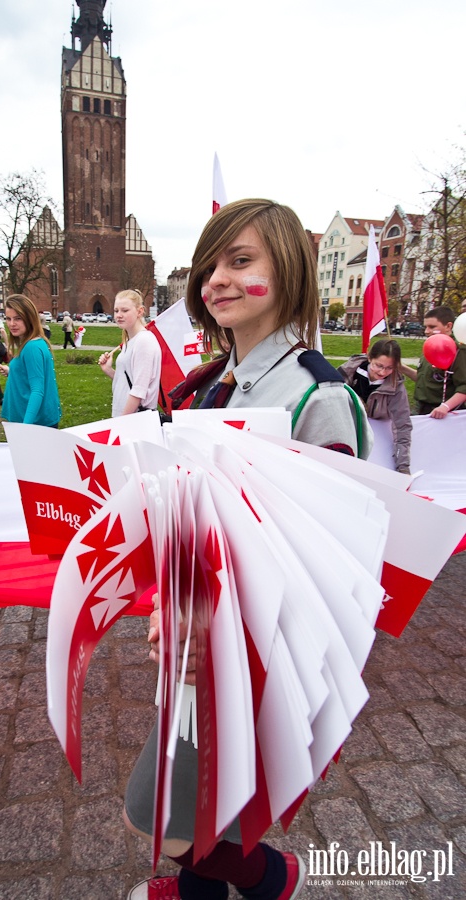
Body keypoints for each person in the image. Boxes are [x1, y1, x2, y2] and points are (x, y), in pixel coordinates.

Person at [123, 199, 373, 900]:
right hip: (191, 632)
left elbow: (330, 566)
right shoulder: (208, 390)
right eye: (210, 265)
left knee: (161, 818)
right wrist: (169, 605)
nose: (216, 280)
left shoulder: (315, 398)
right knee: (207, 805)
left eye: (240, 260)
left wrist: (223, 632)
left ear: (287, 269)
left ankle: (272, 878)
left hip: (253, 651)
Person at [339, 339, 412, 473]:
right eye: (378, 365)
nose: (383, 372)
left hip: (378, 435)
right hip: (349, 427)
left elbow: (402, 425)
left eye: (389, 368)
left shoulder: (396, 388)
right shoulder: (350, 371)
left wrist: (403, 467)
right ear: (369, 358)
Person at [0, 294, 61, 427]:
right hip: (32, 420)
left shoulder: (32, 347)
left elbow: (37, 390)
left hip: (34, 422)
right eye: (8, 318)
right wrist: (13, 371)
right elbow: (34, 374)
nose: (11, 324)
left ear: (30, 318)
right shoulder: (34, 342)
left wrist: (26, 428)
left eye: (18, 318)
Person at [98, 289, 161, 416]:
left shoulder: (144, 341)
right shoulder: (129, 342)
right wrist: (108, 370)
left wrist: (122, 422)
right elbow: (128, 380)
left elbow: (139, 390)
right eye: (116, 311)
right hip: (127, 417)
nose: (118, 315)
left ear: (140, 311)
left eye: (125, 310)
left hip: (135, 419)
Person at [400, 306, 466, 417]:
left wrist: (446, 407)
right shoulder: (431, 347)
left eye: (432, 327)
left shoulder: (457, 351)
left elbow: (464, 387)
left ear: (448, 326)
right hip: (421, 408)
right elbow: (425, 379)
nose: (426, 331)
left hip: (443, 413)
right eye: (425, 327)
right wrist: (401, 367)